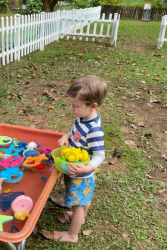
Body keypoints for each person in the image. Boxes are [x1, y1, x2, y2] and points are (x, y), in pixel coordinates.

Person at [54, 74, 107, 243]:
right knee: (83, 199)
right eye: (71, 104)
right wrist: (66, 136)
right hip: (76, 170)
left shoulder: (94, 130)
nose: (72, 109)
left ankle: (72, 234)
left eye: (75, 105)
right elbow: (75, 133)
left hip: (81, 174)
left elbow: (100, 155)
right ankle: (80, 216)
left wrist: (87, 168)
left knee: (77, 204)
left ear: (93, 106)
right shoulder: (82, 117)